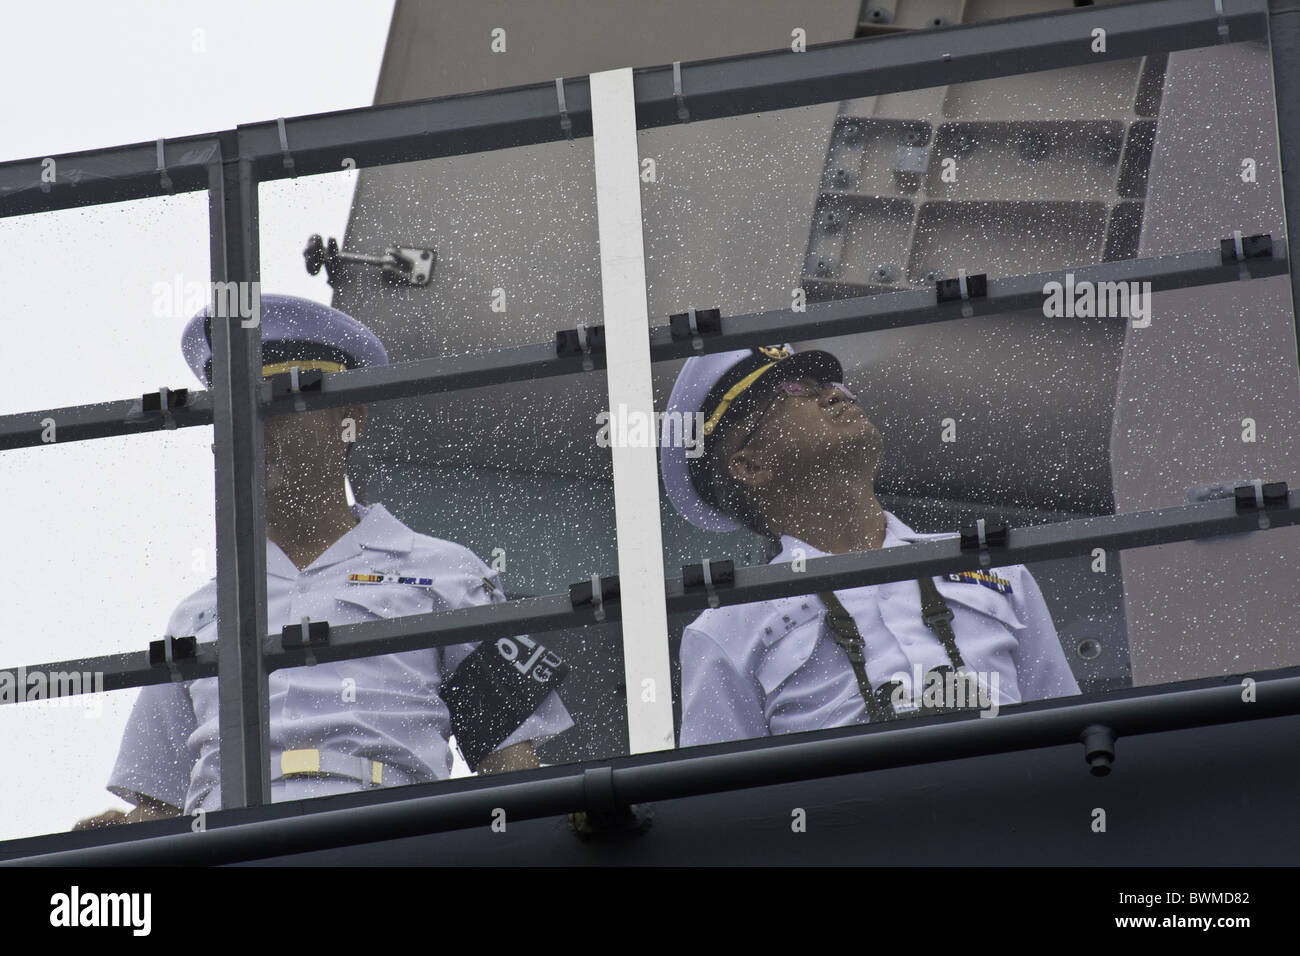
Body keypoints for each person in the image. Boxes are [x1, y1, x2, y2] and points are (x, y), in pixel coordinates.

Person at [75, 294, 572, 828]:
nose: (254, 429)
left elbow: (511, 770)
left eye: (277, 403)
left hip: (387, 836)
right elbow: (163, 805)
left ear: (348, 418)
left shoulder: (450, 574)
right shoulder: (197, 616)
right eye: (236, 412)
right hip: (226, 843)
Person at [660, 344, 1079, 748]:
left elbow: (1067, 739)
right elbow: (727, 805)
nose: (834, 393)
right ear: (751, 466)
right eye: (795, 391)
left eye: (830, 385)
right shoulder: (729, 626)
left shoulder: (994, 566)